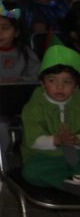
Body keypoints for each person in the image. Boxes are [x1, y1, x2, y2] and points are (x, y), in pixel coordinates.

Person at [20, 40, 80, 196]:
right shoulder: (34, 107)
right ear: (42, 83)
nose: (59, 87)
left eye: (67, 82)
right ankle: (68, 183)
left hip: (75, 153)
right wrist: (57, 140)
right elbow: (33, 140)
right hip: (45, 157)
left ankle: (75, 178)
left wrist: (76, 140)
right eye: (52, 81)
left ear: (76, 86)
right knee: (32, 171)